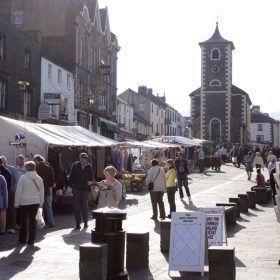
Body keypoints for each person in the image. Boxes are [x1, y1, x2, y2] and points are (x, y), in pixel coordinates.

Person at [14, 161, 44, 245]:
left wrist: (16, 203)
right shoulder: (39, 178)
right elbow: (42, 192)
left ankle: (22, 239)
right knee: (32, 221)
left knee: (23, 221)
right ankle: (31, 239)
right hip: (35, 202)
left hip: (24, 202)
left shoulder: (23, 178)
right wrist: (41, 202)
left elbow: (18, 191)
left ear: (27, 168)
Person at [68, 152, 93, 230]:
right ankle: (78, 223)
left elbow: (91, 178)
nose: (84, 159)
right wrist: (73, 187)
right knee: (77, 207)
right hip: (77, 189)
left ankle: (85, 222)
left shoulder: (89, 167)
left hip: (85, 189)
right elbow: (70, 177)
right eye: (83, 157)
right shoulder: (75, 165)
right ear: (80, 158)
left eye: (85, 157)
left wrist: (89, 189)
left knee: (85, 206)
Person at [3, 155, 25, 234]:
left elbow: (17, 181)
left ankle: (13, 225)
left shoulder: (12, 169)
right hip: (12, 191)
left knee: (12, 209)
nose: (16, 162)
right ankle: (9, 225)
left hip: (14, 191)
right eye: (16, 160)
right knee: (9, 209)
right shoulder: (14, 167)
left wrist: (13, 190)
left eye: (17, 160)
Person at [33, 154, 55, 228]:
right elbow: (52, 178)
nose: (34, 162)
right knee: (48, 206)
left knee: (40, 207)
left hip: (38, 190)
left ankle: (41, 223)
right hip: (47, 189)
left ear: (37, 160)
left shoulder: (36, 168)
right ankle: (51, 222)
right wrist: (50, 185)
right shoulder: (49, 167)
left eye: (34, 160)